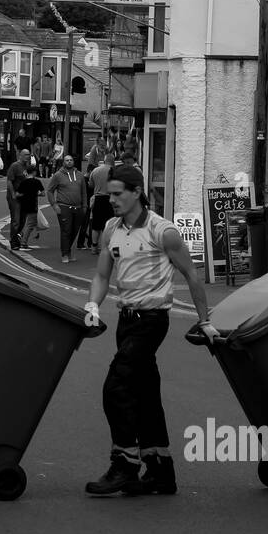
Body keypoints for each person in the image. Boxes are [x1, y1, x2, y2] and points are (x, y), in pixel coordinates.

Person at [82, 165, 215, 497]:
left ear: (136, 192)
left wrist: (206, 320)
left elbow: (192, 275)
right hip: (126, 320)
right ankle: (160, 471)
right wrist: (93, 305)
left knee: (117, 387)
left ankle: (125, 465)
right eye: (109, 193)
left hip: (152, 320)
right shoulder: (111, 228)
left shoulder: (163, 231)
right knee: (144, 392)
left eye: (117, 194)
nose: (110, 199)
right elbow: (101, 275)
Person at [47, 154, 88, 264]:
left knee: (75, 231)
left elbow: (84, 192)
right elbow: (49, 191)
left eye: (71, 160)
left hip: (78, 207)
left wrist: (85, 206)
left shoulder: (79, 175)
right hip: (64, 207)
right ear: (63, 162)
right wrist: (54, 205)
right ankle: (64, 254)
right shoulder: (57, 175)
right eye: (67, 160)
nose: (69, 162)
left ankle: (68, 252)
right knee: (66, 231)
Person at [87, 153, 114, 254]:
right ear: (113, 161)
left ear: (105, 160)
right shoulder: (114, 171)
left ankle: (94, 247)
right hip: (111, 199)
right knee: (108, 225)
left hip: (98, 199)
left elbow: (90, 184)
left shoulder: (96, 170)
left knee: (96, 225)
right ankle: (105, 248)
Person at [15, 163, 44, 250]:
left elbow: (17, 194)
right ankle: (23, 242)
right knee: (30, 224)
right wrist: (36, 193)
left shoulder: (23, 182)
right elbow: (43, 193)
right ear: (34, 172)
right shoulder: (37, 182)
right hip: (32, 205)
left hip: (23, 205)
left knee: (24, 223)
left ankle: (20, 235)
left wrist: (24, 194)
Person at [5, 148, 30, 250]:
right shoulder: (15, 166)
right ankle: (14, 241)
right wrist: (13, 194)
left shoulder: (27, 167)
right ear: (20, 155)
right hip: (14, 197)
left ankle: (17, 237)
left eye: (29, 155)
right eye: (26, 155)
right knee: (16, 220)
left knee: (23, 220)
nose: (28, 156)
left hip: (24, 197)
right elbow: (10, 181)